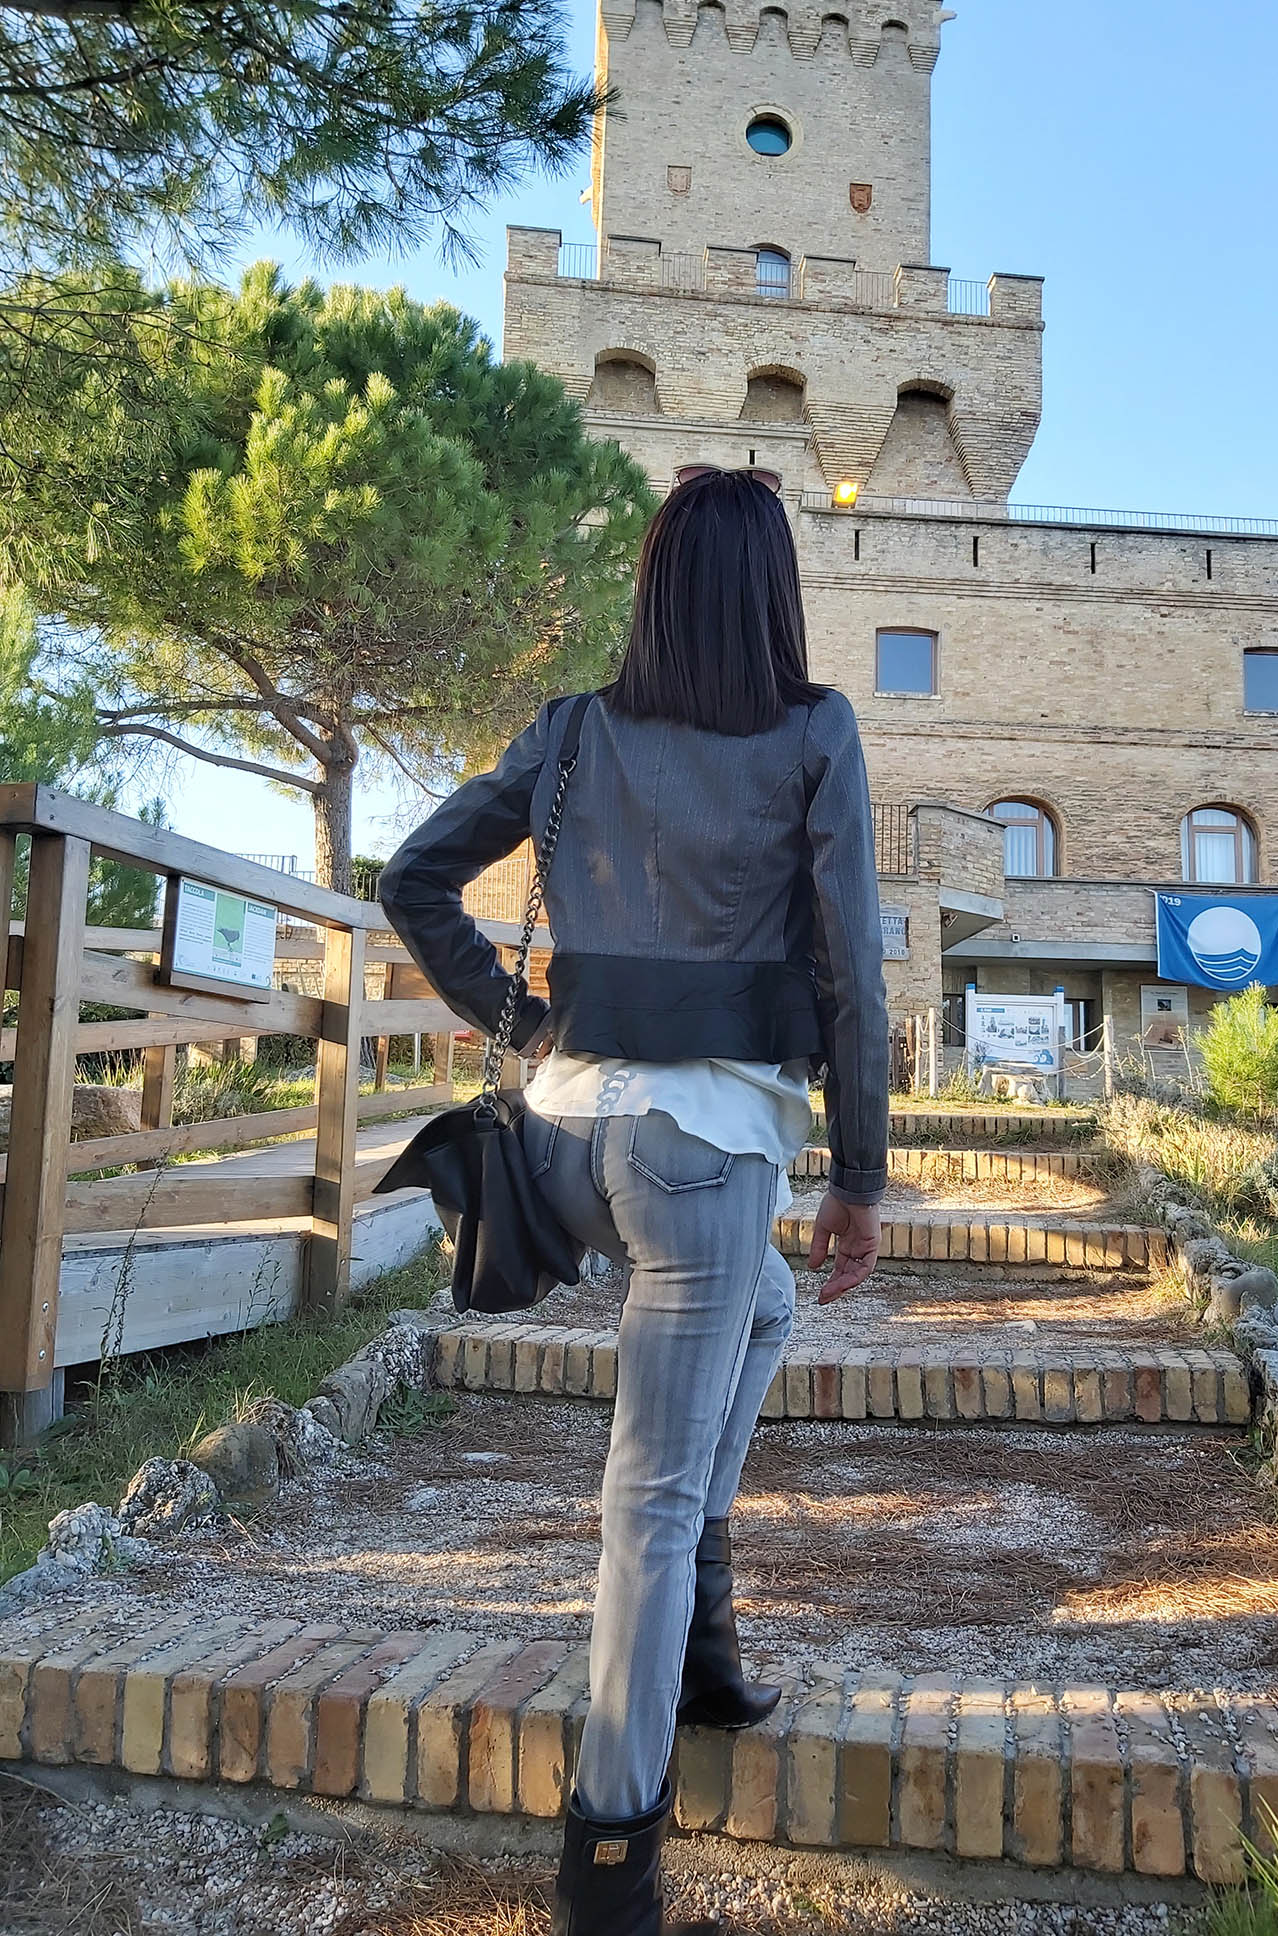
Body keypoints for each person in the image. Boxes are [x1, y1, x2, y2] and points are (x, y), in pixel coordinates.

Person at [380, 465, 889, 1936]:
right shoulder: (813, 732)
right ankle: (610, 1857)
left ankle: (706, 1645)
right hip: (703, 1158)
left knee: (767, 1312)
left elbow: (418, 877)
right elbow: (855, 967)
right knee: (645, 1501)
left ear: (656, 586)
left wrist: (525, 1023)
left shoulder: (572, 732)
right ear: (773, 593)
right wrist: (857, 1177)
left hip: (568, 1148)